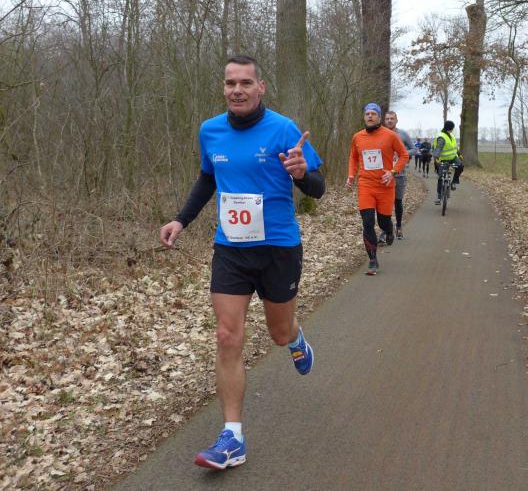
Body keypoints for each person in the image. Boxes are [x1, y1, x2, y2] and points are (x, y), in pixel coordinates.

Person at [159, 55, 325, 470]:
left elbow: (318, 187)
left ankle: (296, 338)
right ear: (224, 87)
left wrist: (301, 174)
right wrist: (181, 220)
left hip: (278, 248)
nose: (237, 90)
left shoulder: (284, 129)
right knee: (227, 335)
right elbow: (207, 180)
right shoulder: (210, 130)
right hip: (231, 248)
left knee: (278, 333)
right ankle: (232, 437)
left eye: (245, 83)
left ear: (260, 87)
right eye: (230, 83)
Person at [347, 103, 409, 275]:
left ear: (379, 117)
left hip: (385, 186)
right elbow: (353, 157)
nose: (370, 116)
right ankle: (373, 260)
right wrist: (351, 175)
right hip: (366, 185)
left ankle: (389, 230)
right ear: (364, 117)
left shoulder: (390, 136)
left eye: (373, 113)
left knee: (383, 222)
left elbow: (404, 155)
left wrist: (393, 171)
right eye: (367, 113)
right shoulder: (357, 137)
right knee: (367, 222)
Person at [381, 110, 415, 241]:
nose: (389, 121)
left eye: (392, 119)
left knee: (397, 201)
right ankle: (385, 230)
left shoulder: (403, 134)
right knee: (385, 203)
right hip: (384, 174)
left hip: (399, 174)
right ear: (384, 121)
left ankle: (399, 226)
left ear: (396, 121)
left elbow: (414, 149)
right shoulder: (380, 134)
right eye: (387, 119)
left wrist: (402, 153)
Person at [432, 120, 463, 205]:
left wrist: (459, 154)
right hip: (443, 159)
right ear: (450, 128)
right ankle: (439, 196)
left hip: (453, 158)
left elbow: (455, 147)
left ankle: (454, 182)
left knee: (460, 166)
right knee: (440, 177)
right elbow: (438, 148)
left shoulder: (451, 135)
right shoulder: (441, 137)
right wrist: (436, 159)